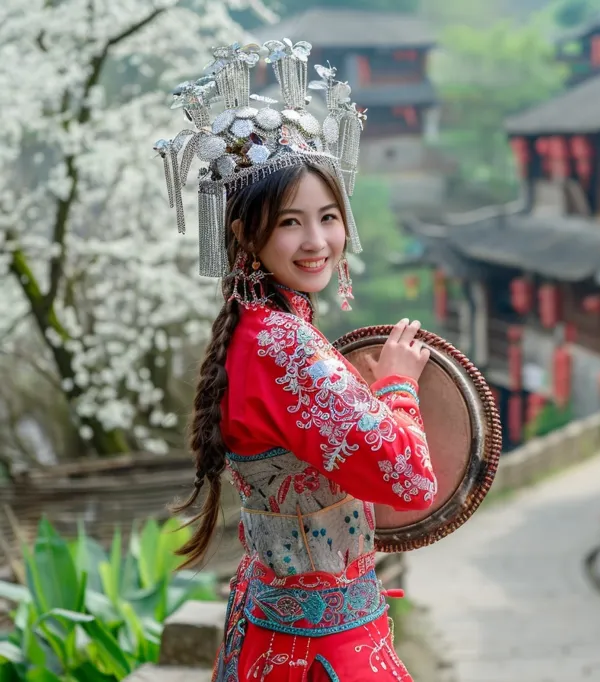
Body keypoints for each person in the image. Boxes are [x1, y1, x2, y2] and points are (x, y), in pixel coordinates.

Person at [154, 40, 435, 682]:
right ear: (243, 234)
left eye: (330, 217)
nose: (318, 242)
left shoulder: (258, 333)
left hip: (276, 627)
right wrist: (396, 384)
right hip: (324, 653)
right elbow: (409, 480)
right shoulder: (284, 346)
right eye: (290, 222)